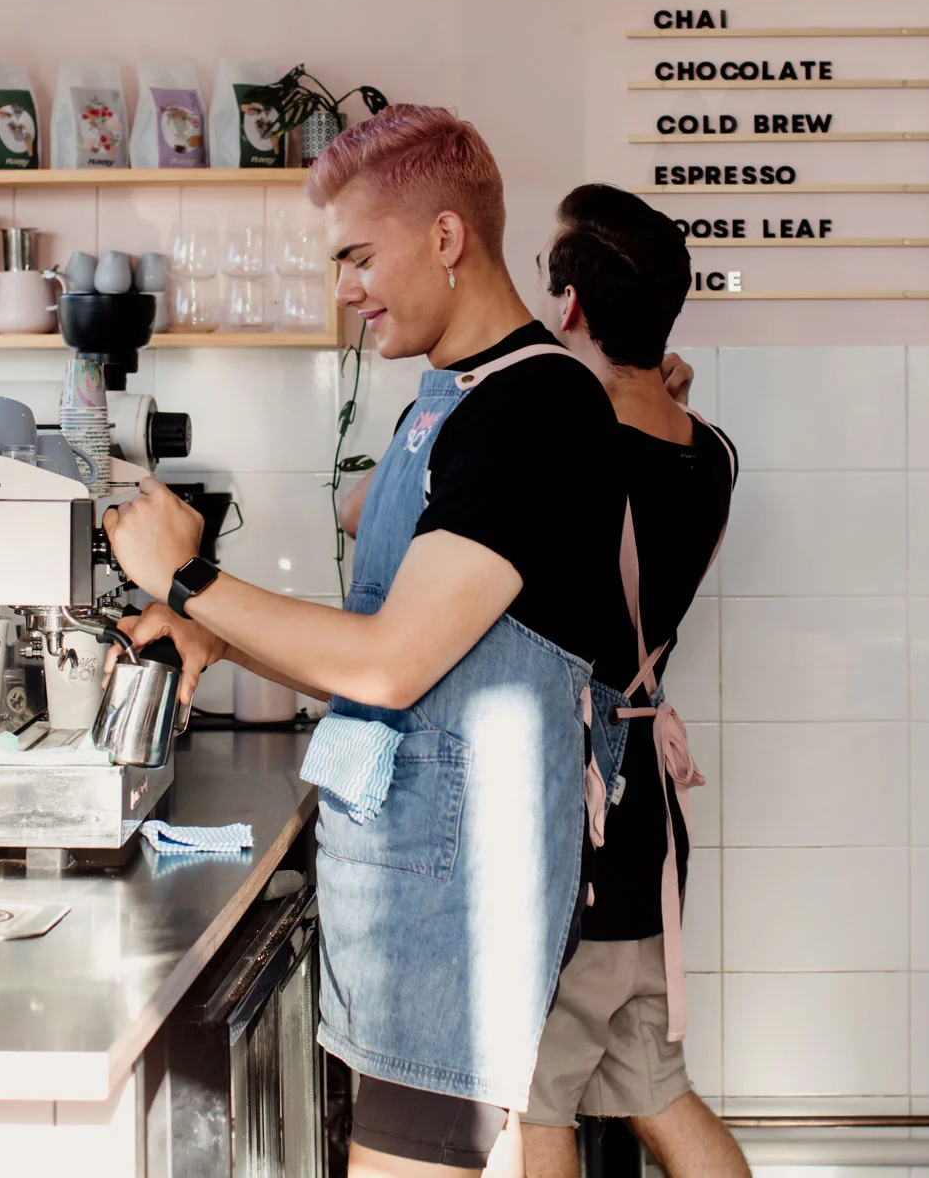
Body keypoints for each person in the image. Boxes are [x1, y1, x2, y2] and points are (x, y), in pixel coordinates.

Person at [102, 106, 629, 1178]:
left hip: (457, 906)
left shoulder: (534, 411)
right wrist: (218, 637)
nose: (344, 287)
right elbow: (397, 647)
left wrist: (192, 574)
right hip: (410, 886)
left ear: (445, 237)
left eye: (357, 254)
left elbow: (391, 659)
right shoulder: (448, 401)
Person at [492, 185, 748, 1178]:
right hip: (650, 836)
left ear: (569, 307)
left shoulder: (561, 446)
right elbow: (655, 426)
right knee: (656, 1087)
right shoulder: (713, 454)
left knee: (534, 1102)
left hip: (574, 825)